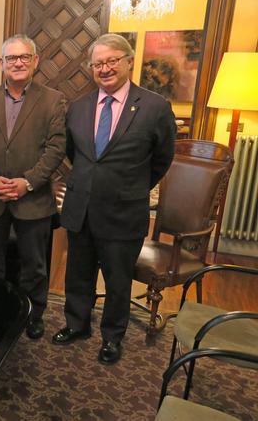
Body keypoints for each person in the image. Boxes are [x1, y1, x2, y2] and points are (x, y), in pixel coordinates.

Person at [52, 33, 175, 364]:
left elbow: (162, 158)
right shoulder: (78, 107)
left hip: (123, 211)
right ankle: (76, 324)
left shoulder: (154, 107)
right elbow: (74, 154)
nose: (104, 69)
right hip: (81, 208)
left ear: (129, 61)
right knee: (78, 273)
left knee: (118, 280)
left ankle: (112, 337)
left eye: (112, 61)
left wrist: (130, 186)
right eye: (98, 64)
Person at [0, 34, 67, 340]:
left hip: (33, 200)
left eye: (24, 57)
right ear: (2, 63)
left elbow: (55, 149)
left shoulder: (53, 100)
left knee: (33, 266)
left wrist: (27, 182)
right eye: (11, 58)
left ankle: (33, 316)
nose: (18, 63)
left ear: (35, 61)